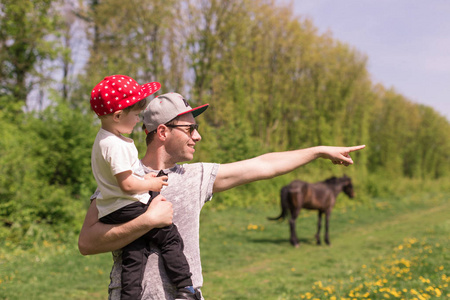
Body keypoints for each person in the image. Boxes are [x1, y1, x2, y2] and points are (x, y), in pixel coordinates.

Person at [79, 92, 366, 299]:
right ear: (163, 131)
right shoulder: (120, 177)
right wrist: (147, 221)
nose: (198, 136)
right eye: (190, 128)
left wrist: (316, 152)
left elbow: (263, 164)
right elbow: (87, 243)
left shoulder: (196, 177)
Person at [89, 77, 198, 300]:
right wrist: (151, 183)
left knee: (134, 255)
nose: (139, 119)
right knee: (170, 238)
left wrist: (142, 176)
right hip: (129, 206)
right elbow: (127, 185)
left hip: (113, 210)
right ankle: (186, 288)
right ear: (118, 115)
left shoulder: (103, 141)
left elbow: (124, 176)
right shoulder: (116, 145)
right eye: (136, 114)